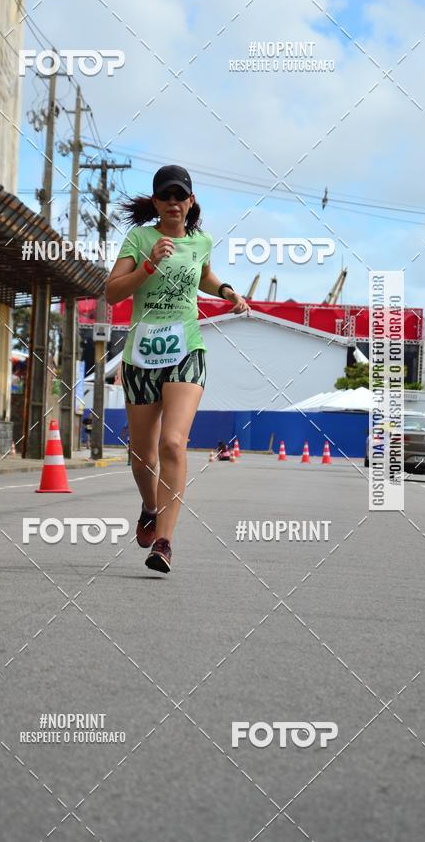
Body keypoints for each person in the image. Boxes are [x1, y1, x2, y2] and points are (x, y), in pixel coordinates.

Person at [105, 165, 250, 573]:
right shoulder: (139, 238)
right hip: (141, 357)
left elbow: (202, 274)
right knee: (142, 455)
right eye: (165, 196)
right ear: (156, 203)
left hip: (186, 349)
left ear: (190, 202)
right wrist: (147, 266)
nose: (173, 203)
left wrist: (225, 291)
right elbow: (112, 291)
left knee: (173, 443)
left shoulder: (201, 241)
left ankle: (164, 542)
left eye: (179, 196)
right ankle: (150, 507)